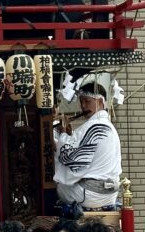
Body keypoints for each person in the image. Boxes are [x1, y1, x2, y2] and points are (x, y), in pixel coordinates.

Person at [53, 82, 122, 212]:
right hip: (110, 195)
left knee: (59, 186)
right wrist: (68, 134)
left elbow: (72, 160)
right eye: (81, 102)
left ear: (100, 102)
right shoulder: (109, 127)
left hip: (91, 195)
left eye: (87, 101)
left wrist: (62, 134)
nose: (83, 106)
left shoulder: (96, 126)